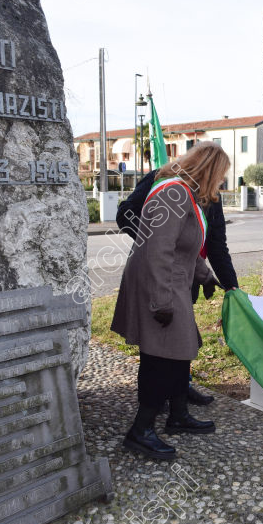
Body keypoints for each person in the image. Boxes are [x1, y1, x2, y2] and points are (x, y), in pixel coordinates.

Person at [111, 142, 230, 459]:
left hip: (173, 281)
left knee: (177, 354)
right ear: (208, 170)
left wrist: (205, 276)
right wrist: (161, 301)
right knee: (161, 359)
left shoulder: (185, 194)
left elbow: (184, 247)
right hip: (161, 284)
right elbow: (158, 251)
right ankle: (141, 431)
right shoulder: (174, 194)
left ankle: (177, 416)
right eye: (220, 175)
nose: (221, 182)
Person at [117, 165, 239, 407]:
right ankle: (153, 402)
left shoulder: (211, 193)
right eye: (219, 174)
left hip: (189, 275)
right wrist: (152, 241)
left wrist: (230, 285)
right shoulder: (163, 178)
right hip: (158, 275)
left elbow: (217, 244)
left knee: (181, 339)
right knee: (155, 343)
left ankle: (180, 394)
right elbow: (125, 214)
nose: (221, 180)